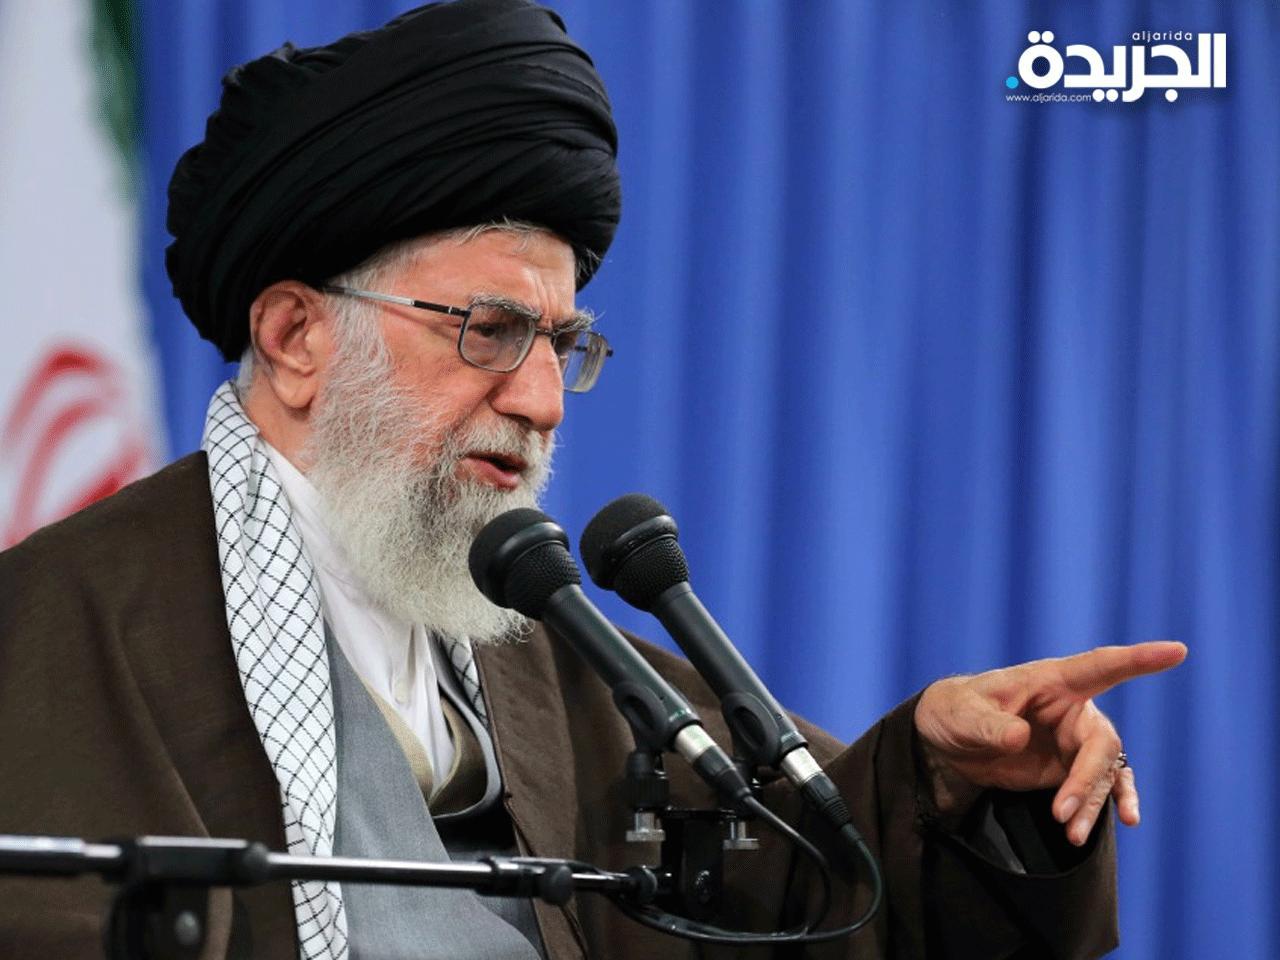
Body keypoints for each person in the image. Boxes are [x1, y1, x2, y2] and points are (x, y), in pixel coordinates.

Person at [0, 2, 1185, 958]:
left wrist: (945, 774)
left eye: (561, 345)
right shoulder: (53, 632)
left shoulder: (552, 654)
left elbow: (816, 887)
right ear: (297, 337)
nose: (542, 399)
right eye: (487, 330)